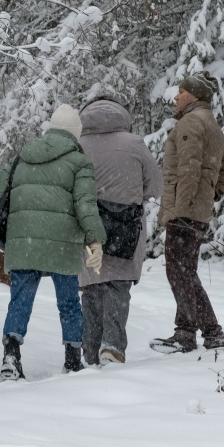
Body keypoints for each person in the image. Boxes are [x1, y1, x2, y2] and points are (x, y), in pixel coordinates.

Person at [0, 104, 106, 380]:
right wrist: (95, 240)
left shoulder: (23, 155)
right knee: (68, 301)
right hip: (62, 243)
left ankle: (11, 356)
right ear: (75, 134)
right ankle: (72, 358)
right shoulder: (79, 162)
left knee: (20, 300)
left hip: (25, 241)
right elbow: (86, 206)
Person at [150, 71, 224, 354]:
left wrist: (183, 205)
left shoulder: (191, 121)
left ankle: (198, 333)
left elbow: (189, 167)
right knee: (185, 272)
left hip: (185, 211)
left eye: (181, 92)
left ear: (195, 96)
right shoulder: (209, 122)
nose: (176, 96)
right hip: (195, 210)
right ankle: (198, 332)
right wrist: (210, 193)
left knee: (179, 272)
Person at [76, 87, 162, 366]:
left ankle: (89, 353)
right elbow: (156, 186)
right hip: (126, 226)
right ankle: (112, 346)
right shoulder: (134, 143)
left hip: (87, 226)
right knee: (117, 286)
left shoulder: (77, 143)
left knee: (90, 287)